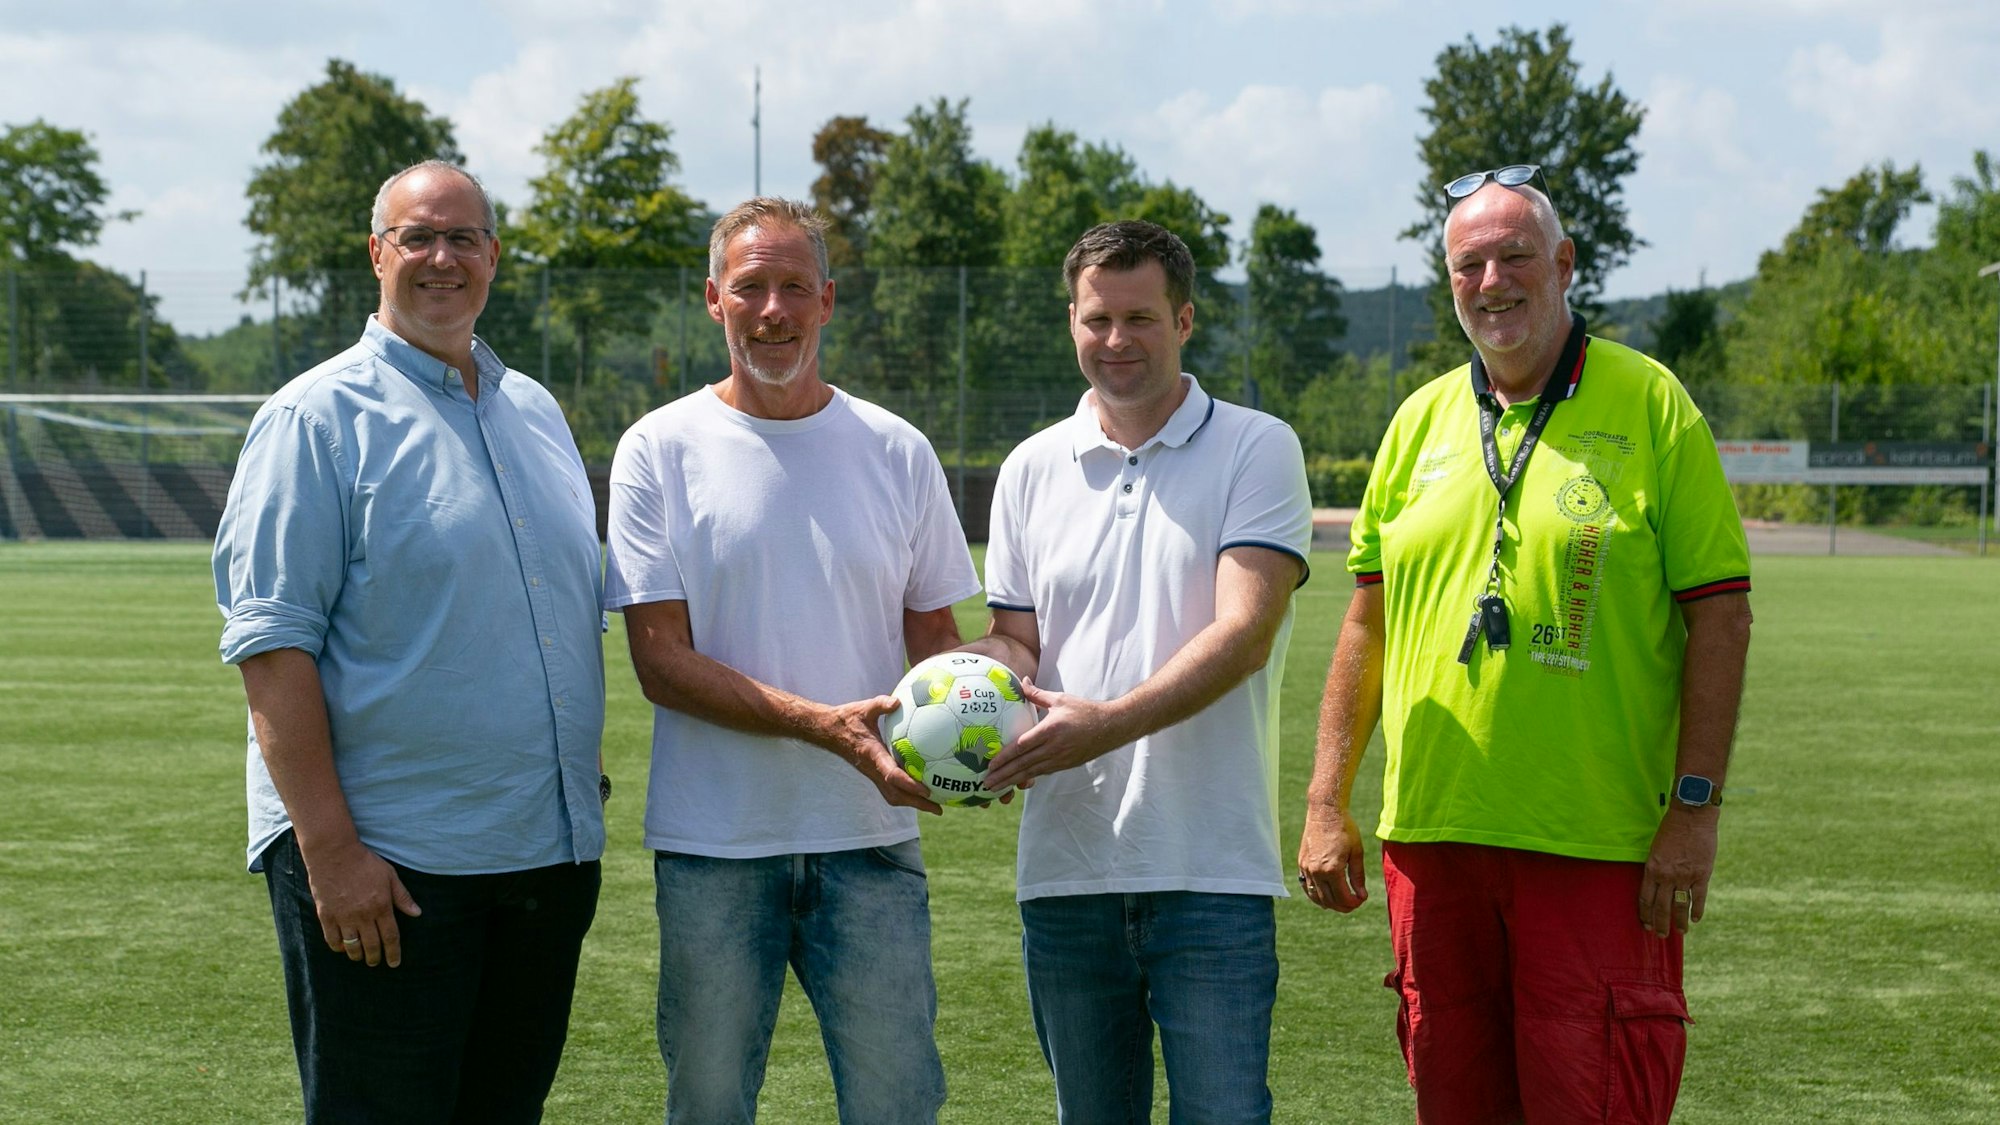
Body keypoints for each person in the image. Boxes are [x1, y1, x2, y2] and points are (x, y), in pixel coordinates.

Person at [1298, 165, 1754, 1123]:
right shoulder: (1419, 419)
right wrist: (1326, 798)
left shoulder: (1652, 403)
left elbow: (1721, 612)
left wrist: (1696, 808)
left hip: (1594, 845)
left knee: (1594, 1105)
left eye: (1514, 255)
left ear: (1564, 262)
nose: (1493, 280)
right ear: (1449, 282)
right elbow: (1366, 621)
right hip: (1430, 840)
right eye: (1470, 263)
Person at [212, 160, 607, 1124]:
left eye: (464, 237)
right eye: (418, 237)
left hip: (541, 860)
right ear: (378, 254)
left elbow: (554, 611)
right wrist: (331, 853)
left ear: (494, 257)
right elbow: (272, 650)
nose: (442, 258)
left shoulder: (536, 412)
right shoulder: (314, 418)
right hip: (389, 871)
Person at [603, 197, 978, 1125]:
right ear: (713, 301)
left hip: (871, 839)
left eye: (794, 288)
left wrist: (984, 727)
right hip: (714, 847)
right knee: (709, 1105)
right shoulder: (658, 448)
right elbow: (660, 660)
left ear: (828, 301)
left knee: (900, 1103)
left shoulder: (897, 448)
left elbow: (937, 639)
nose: (773, 309)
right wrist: (825, 726)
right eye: (751, 288)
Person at [964, 220, 1312, 1124]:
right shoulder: (1030, 467)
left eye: (1140, 318)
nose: (1116, 340)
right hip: (1067, 867)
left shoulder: (1256, 445)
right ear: (1072, 322)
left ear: (1186, 319)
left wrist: (1104, 723)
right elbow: (1018, 640)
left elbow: (1243, 632)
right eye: (1096, 319)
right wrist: (966, 687)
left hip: (1211, 872)